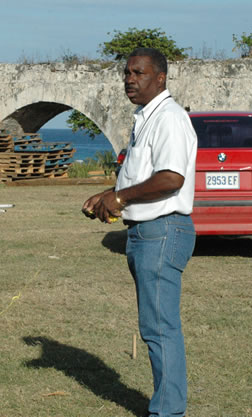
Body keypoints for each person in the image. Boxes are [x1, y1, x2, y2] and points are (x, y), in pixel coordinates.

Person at [83, 48, 198, 417]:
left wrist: (119, 197)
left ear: (160, 78)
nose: (129, 79)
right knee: (155, 325)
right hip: (146, 232)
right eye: (126, 73)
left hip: (162, 231)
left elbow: (171, 178)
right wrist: (108, 197)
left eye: (138, 73)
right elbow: (139, 177)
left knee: (160, 328)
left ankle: (168, 411)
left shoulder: (169, 118)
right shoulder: (145, 118)